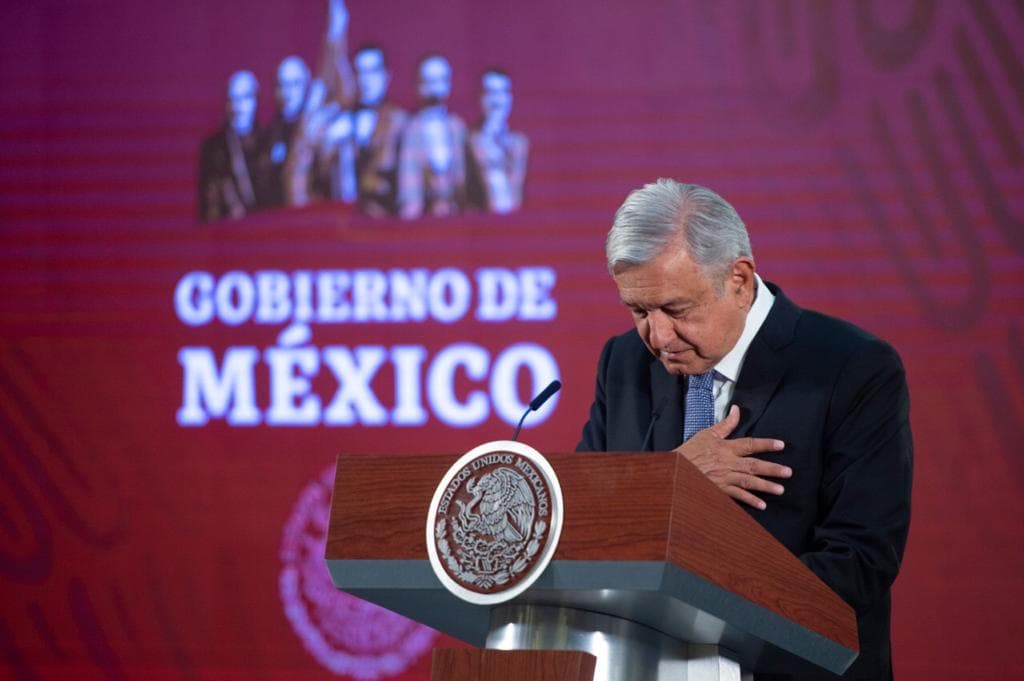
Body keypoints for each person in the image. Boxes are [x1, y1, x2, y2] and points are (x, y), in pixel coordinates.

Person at [577, 179, 912, 680]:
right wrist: (674, 485)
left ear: (738, 279)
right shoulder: (623, 362)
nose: (658, 337)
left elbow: (859, 562)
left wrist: (698, 620)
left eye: (675, 309)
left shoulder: (851, 367)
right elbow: (583, 520)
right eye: (639, 311)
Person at [397, 54, 468, 219]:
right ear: (417, 85)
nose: (434, 89)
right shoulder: (409, 130)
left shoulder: (458, 128)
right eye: (428, 82)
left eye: (440, 81)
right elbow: (408, 187)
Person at [351, 44, 408, 217]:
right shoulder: (341, 121)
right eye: (360, 72)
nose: (365, 79)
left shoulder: (400, 122)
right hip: (342, 222)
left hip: (386, 221)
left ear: (386, 76)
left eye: (372, 71)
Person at [197, 70, 261, 222]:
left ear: (256, 100)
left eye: (245, 98)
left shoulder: (266, 140)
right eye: (232, 100)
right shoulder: (213, 148)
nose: (237, 107)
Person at [466, 68, 529, 214]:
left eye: (501, 93)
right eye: (489, 93)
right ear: (479, 98)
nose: (496, 101)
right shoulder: (466, 140)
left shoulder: (519, 144)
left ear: (510, 98)